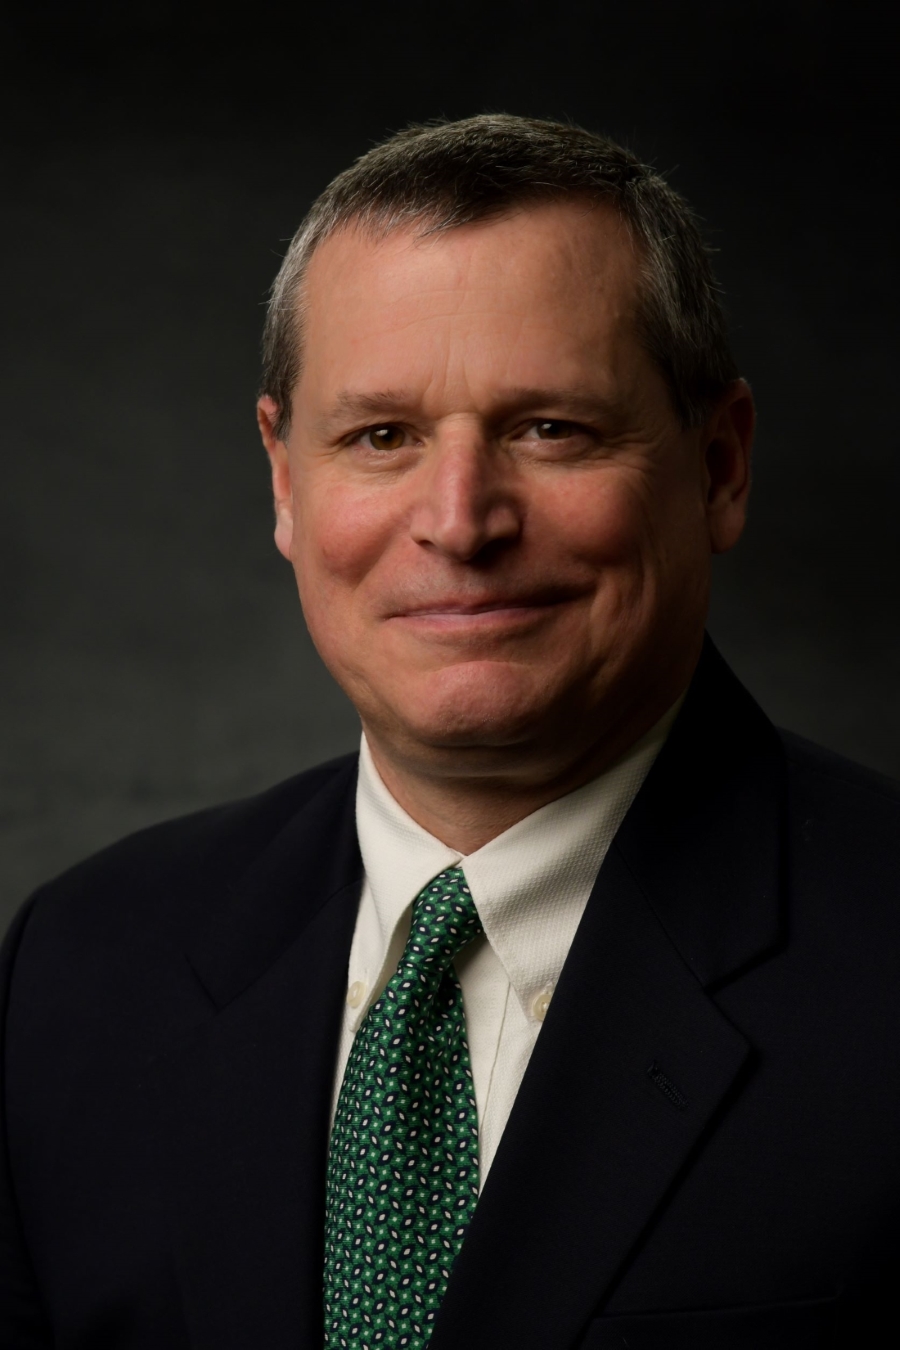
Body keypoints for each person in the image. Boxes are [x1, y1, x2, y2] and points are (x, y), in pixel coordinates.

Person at [1, 114, 898, 1350]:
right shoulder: (79, 970)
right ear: (285, 481)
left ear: (720, 466)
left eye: (551, 429)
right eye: (382, 437)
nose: (462, 522)